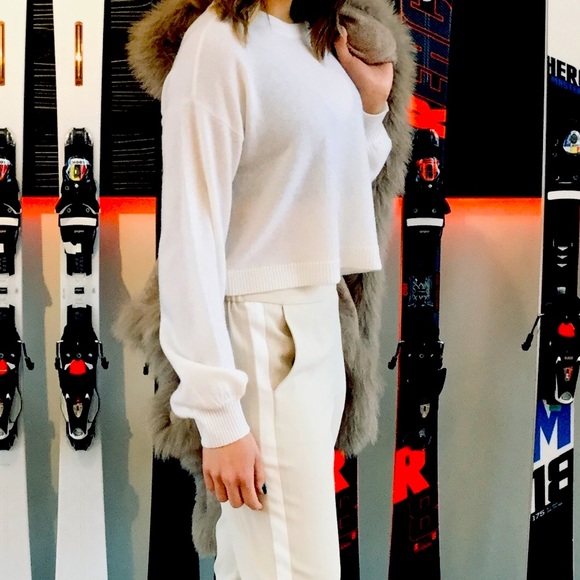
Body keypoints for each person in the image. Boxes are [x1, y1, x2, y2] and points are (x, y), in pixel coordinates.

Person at [154, 0, 394, 577]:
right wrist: (219, 417)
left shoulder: (316, 41)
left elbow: (331, 187)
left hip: (319, 323)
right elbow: (190, 234)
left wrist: (370, 108)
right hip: (261, 335)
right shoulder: (217, 45)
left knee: (259, 562)